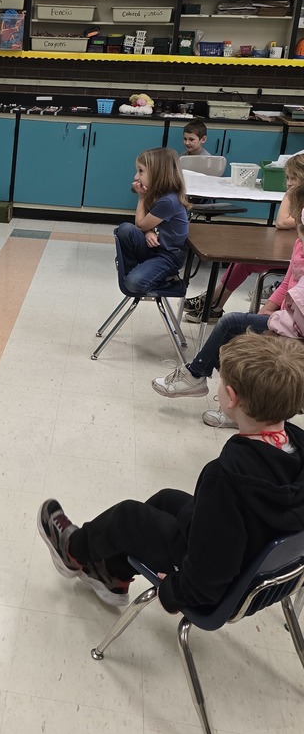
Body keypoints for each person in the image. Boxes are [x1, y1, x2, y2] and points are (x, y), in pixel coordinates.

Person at [39, 332, 304, 610]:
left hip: (221, 585)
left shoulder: (226, 478)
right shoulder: (295, 445)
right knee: (167, 499)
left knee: (129, 516)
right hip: (263, 567)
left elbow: (211, 575)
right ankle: (112, 574)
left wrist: (175, 590)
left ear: (230, 398)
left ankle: (72, 551)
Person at [152, 183, 304, 428]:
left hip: (293, 329)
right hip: (287, 320)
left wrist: (274, 325)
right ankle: (239, 408)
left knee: (234, 326)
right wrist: (270, 308)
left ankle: (198, 377)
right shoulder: (300, 243)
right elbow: (288, 281)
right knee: (238, 331)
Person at [183, 152, 304, 324]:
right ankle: (213, 303)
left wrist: (297, 218)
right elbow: (281, 222)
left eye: (294, 178)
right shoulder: (292, 195)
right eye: (287, 177)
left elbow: (285, 222)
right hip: (288, 250)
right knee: (240, 263)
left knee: (245, 263)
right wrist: (294, 207)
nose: (289, 183)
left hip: (296, 258)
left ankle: (212, 301)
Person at [115, 147, 189, 295]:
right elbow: (147, 223)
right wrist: (149, 232)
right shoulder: (160, 193)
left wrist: (141, 198)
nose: (137, 176)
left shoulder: (168, 201)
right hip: (156, 248)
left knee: (132, 283)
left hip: (168, 258)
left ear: (157, 173)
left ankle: (167, 279)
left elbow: (141, 224)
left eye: (141, 171)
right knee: (125, 230)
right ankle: (140, 269)